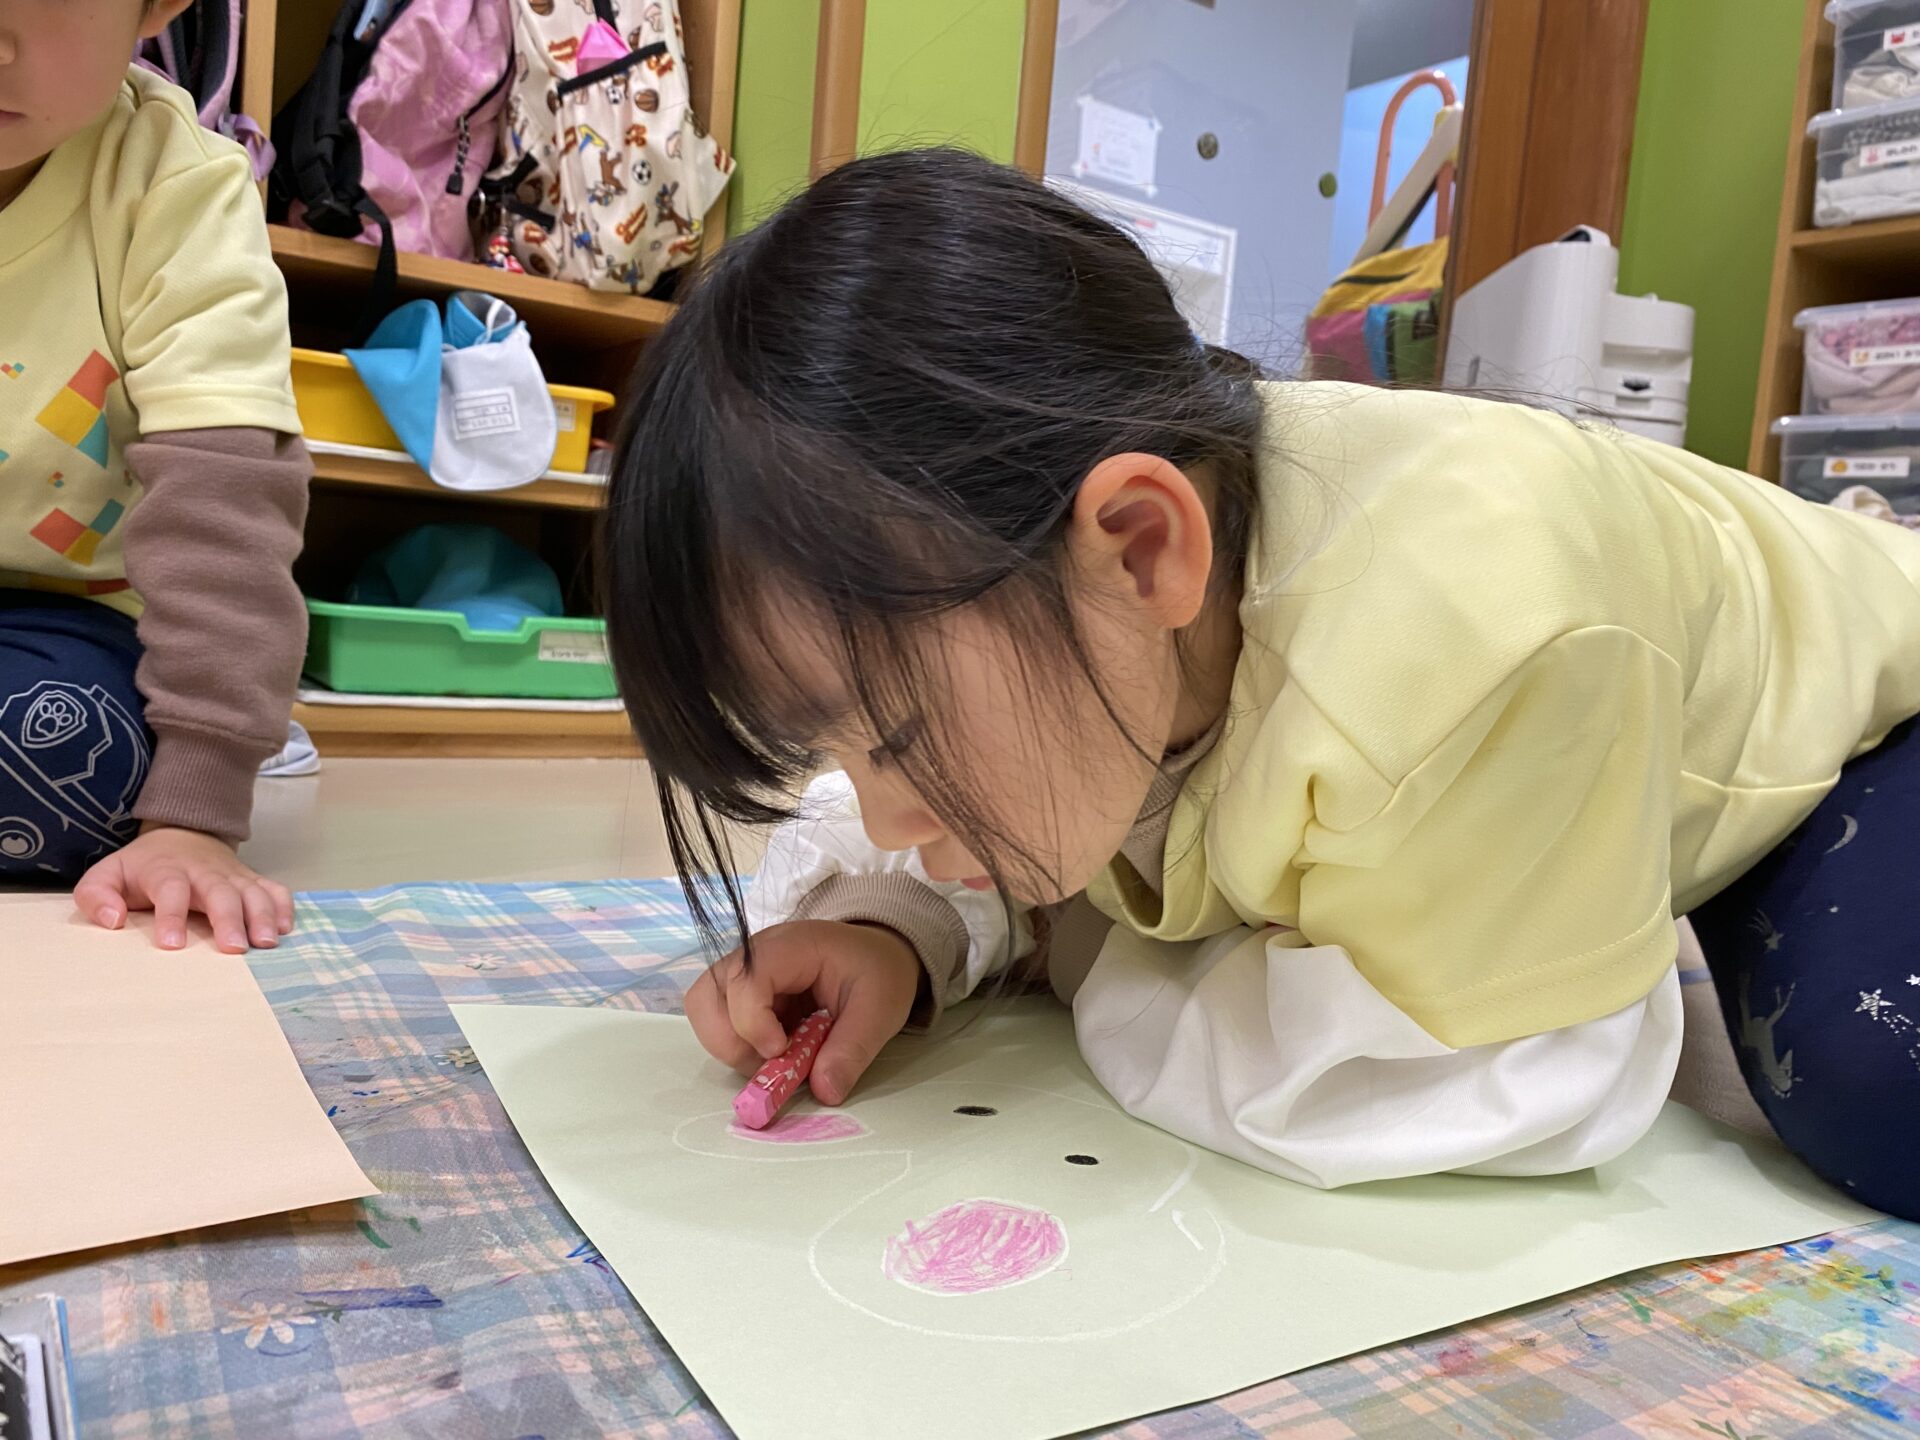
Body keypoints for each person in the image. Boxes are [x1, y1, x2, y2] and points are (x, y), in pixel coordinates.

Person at [600, 149, 1920, 1221]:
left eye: (897, 738)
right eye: (840, 752)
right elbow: (1018, 815)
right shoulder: (1116, 609)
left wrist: (1089, 956)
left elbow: (1520, 1089)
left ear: (1141, 546)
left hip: (1866, 703)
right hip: (1627, 703)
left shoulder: (1466, 642)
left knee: (1875, 1083)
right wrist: (895, 928)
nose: (889, 818)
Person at [1, 0, 309, 952]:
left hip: (69, 626)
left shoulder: (178, 193)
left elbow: (224, 502)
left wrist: (193, 812)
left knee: (71, 758)